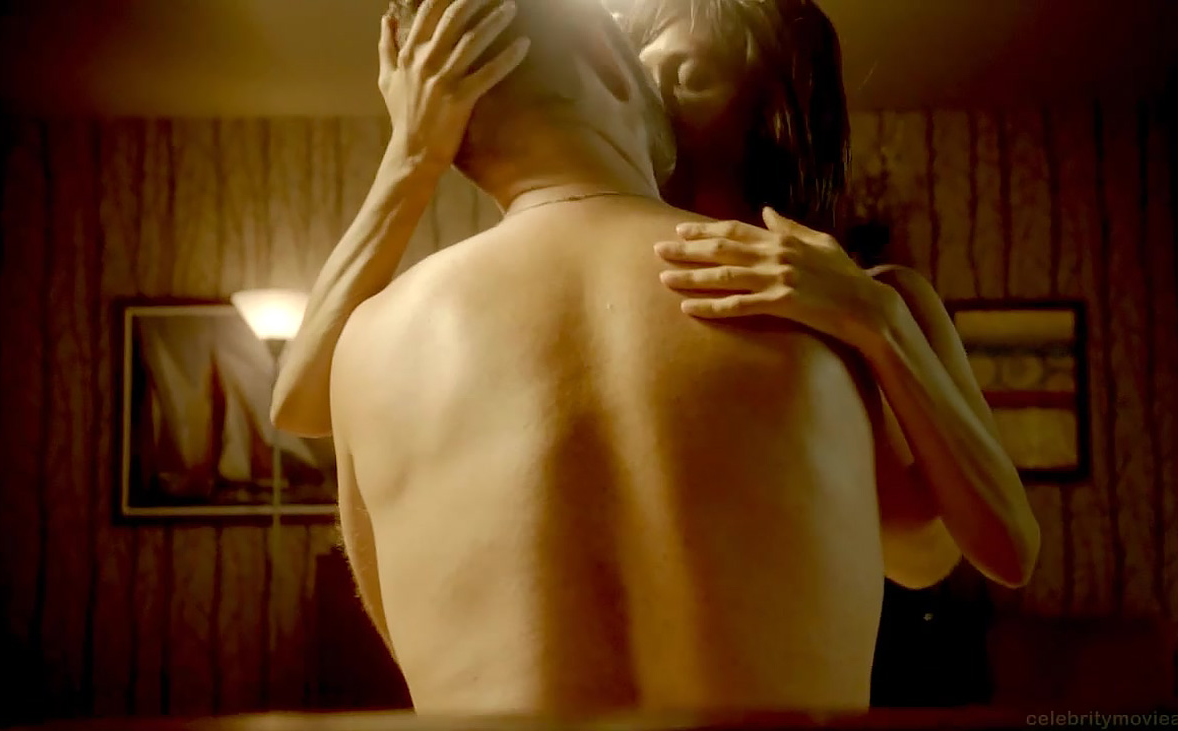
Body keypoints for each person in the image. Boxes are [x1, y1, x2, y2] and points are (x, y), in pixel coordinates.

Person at [331, 0, 890, 714]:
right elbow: (926, 549)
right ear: (610, 65)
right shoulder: (814, 302)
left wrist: (411, 151)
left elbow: (404, 632)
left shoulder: (367, 343)